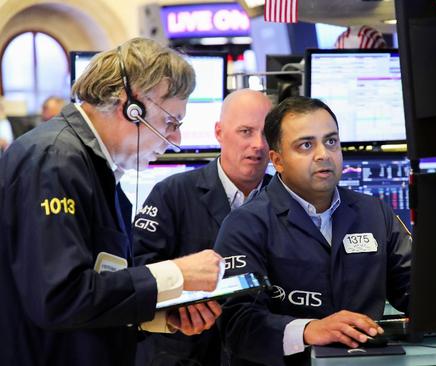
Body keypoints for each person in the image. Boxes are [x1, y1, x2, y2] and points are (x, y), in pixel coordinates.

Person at [0, 38, 224, 366]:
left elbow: (100, 284)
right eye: (172, 122)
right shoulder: (54, 161)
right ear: (132, 108)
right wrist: (175, 273)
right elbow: (60, 297)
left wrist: (157, 313)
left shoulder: (97, 168)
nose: (176, 139)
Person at [213, 96, 412, 366]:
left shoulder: (374, 212)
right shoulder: (245, 225)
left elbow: (415, 289)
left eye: (331, 141)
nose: (323, 154)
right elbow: (236, 324)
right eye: (306, 145)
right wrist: (307, 330)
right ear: (278, 160)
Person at [133, 88, 273, 366]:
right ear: (219, 133)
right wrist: (180, 299)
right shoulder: (172, 194)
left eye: (267, 133)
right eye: (245, 131)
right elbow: (137, 270)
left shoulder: (286, 199)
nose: (258, 144)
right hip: (185, 352)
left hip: (259, 351)